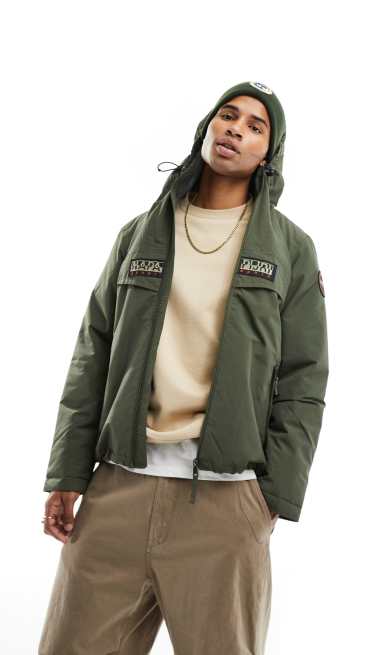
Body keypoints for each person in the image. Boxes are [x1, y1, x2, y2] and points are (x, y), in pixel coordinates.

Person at [38, 80, 329, 654]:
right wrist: (67, 471)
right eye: (228, 116)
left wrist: (271, 496)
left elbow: (305, 377)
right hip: (118, 487)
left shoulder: (291, 249)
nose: (236, 130)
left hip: (225, 503)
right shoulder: (141, 232)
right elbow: (93, 353)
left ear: (267, 154)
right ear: (207, 127)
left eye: (255, 126)